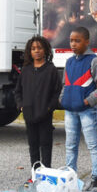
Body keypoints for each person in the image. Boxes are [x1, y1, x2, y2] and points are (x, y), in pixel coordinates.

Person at [60, 26, 97, 188]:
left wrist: (88, 101)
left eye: (77, 41)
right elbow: (65, 84)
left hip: (87, 110)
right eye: (71, 40)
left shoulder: (93, 60)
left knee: (93, 145)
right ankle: (70, 175)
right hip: (70, 111)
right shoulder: (69, 62)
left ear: (86, 42)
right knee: (70, 145)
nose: (73, 44)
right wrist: (63, 99)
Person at [15, 35, 61, 170]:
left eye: (39, 48)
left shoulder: (51, 69)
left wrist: (49, 108)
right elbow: (18, 91)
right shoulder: (26, 70)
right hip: (29, 114)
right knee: (33, 145)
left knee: (45, 144)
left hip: (45, 114)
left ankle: (46, 172)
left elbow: (57, 91)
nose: (36, 51)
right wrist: (21, 105)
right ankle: (35, 173)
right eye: (33, 48)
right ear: (29, 51)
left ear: (45, 50)